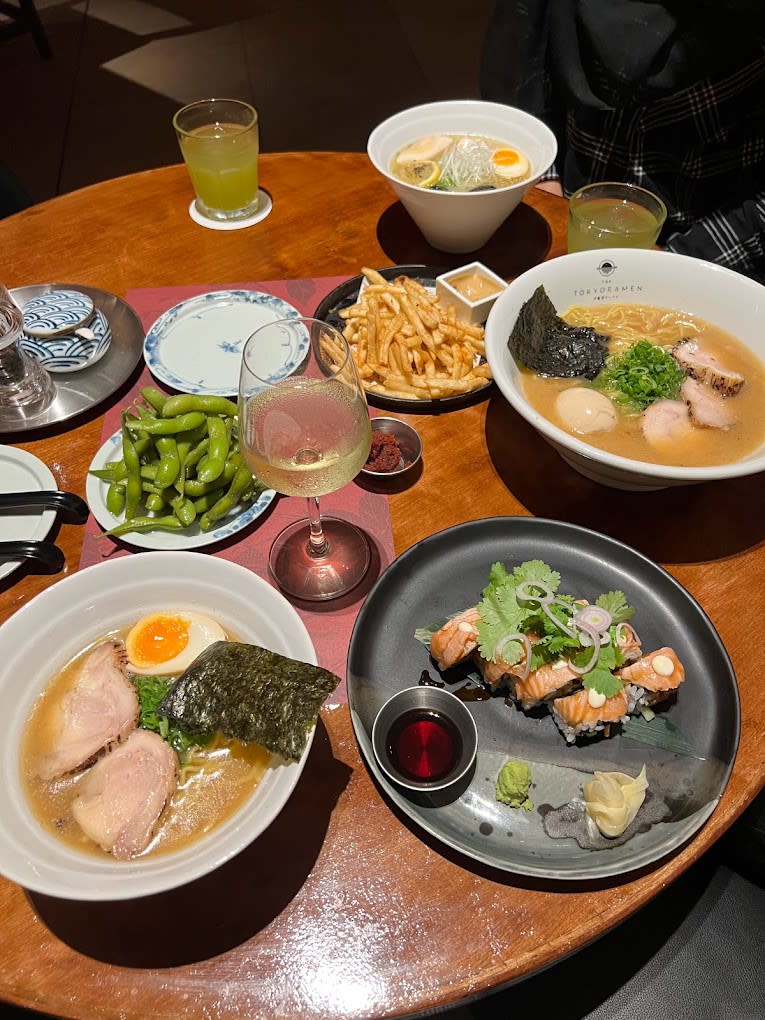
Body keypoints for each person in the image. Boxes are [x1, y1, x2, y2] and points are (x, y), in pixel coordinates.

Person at [479, 0, 765, 283]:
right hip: (572, 209)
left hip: (701, 244)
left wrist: (680, 265)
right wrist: (544, 181)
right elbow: (519, 56)